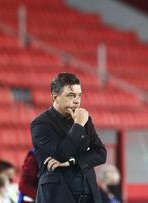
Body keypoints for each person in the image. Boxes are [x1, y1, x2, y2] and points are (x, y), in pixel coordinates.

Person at [31, 72, 107, 203]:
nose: (77, 100)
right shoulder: (41, 124)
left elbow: (101, 153)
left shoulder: (85, 119)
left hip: (89, 195)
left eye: (79, 95)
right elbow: (60, 154)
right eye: (71, 95)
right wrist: (78, 125)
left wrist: (72, 161)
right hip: (57, 196)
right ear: (55, 97)